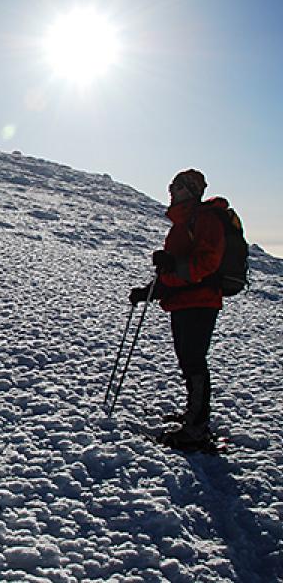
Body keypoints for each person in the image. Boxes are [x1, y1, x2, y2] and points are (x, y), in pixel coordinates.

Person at [130, 169, 226, 450]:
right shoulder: (181, 225)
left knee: (194, 361)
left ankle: (196, 427)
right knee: (188, 361)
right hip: (184, 303)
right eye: (172, 184)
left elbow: (207, 263)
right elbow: (174, 274)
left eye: (178, 185)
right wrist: (148, 292)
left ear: (192, 190)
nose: (171, 189)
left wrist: (173, 266)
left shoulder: (204, 219)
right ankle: (193, 416)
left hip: (201, 301)